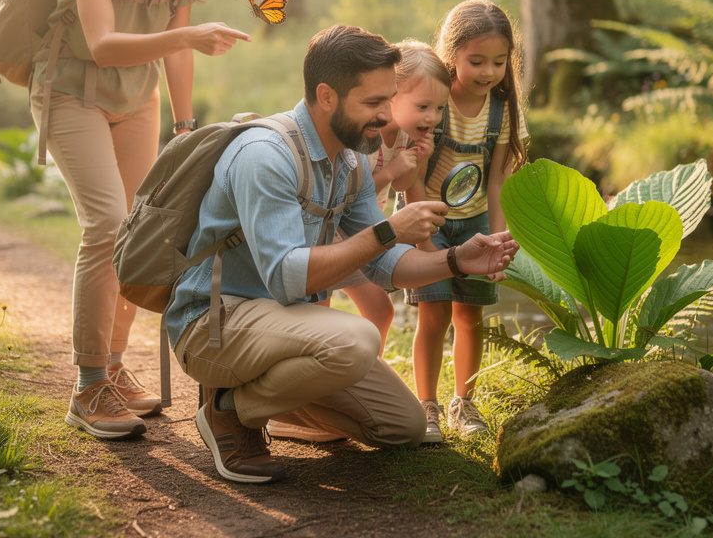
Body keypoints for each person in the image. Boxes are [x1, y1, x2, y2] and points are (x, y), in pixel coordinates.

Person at [165, 24, 519, 484]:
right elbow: (288, 277)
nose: (386, 116)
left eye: (389, 100)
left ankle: (263, 394)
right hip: (214, 324)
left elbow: (386, 265)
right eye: (373, 103)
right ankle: (228, 409)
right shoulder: (266, 155)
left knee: (403, 427)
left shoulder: (348, 164)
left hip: (284, 328)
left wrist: (455, 260)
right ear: (327, 96)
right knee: (355, 339)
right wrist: (389, 231)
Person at [30, 0, 250, 440]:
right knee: (106, 222)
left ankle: (118, 368)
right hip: (73, 91)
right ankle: (88, 383)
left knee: (140, 229)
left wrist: (185, 126)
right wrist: (185, 35)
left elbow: (178, 55)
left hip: (139, 99)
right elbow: (102, 43)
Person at [265, 39, 451, 443]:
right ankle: (293, 407)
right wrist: (393, 173)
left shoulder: (400, 139)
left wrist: (415, 164)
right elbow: (355, 189)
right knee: (318, 311)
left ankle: (354, 388)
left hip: (367, 230)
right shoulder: (358, 140)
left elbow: (399, 188)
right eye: (422, 106)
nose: (432, 117)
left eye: (439, 109)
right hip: (337, 234)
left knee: (381, 311)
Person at [404, 0, 529, 444]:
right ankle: (427, 406)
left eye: (498, 62)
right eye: (476, 61)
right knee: (433, 319)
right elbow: (412, 178)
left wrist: (495, 239)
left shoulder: (502, 111)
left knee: (470, 319)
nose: (488, 72)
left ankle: (464, 401)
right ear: (450, 54)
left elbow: (496, 184)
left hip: (476, 225)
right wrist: (423, 244)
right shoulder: (434, 104)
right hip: (429, 225)